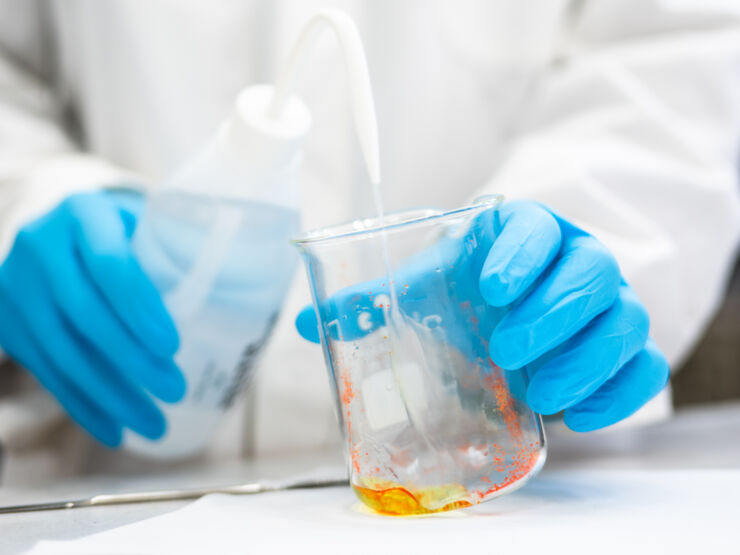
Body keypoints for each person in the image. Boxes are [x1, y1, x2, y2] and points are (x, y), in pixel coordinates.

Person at [0, 0, 737, 477]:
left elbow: (679, 50)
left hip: (518, 479)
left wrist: (571, 251)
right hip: (106, 479)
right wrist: (29, 196)